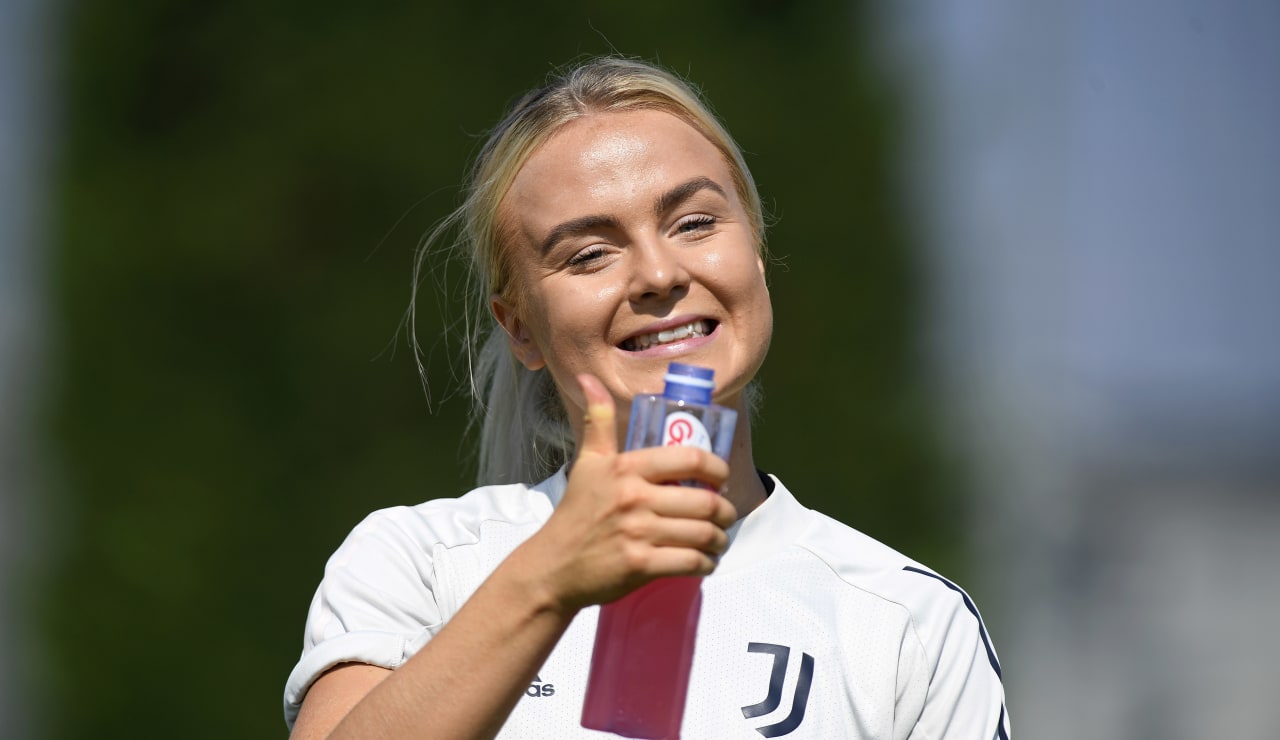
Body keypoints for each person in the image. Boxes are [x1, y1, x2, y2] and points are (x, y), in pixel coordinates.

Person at [284, 56, 1009, 739]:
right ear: (521, 328)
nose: (658, 273)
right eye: (589, 254)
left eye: (694, 222)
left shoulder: (909, 620)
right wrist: (549, 578)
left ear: (755, 255)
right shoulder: (421, 561)